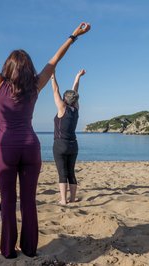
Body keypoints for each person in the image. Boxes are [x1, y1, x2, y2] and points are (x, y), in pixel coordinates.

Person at [0, 11, 90, 258]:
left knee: (8, 201)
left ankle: (8, 250)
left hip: (6, 149)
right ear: (28, 69)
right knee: (28, 201)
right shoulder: (35, 86)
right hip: (31, 147)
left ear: (8, 67)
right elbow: (54, 60)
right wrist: (74, 35)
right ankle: (29, 248)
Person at [51, 69, 85, 205]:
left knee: (62, 173)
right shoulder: (76, 108)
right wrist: (77, 77)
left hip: (60, 145)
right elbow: (75, 91)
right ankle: (72, 198)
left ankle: (64, 200)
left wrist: (52, 77)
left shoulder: (62, 108)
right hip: (73, 145)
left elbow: (55, 90)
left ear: (65, 99)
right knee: (71, 172)